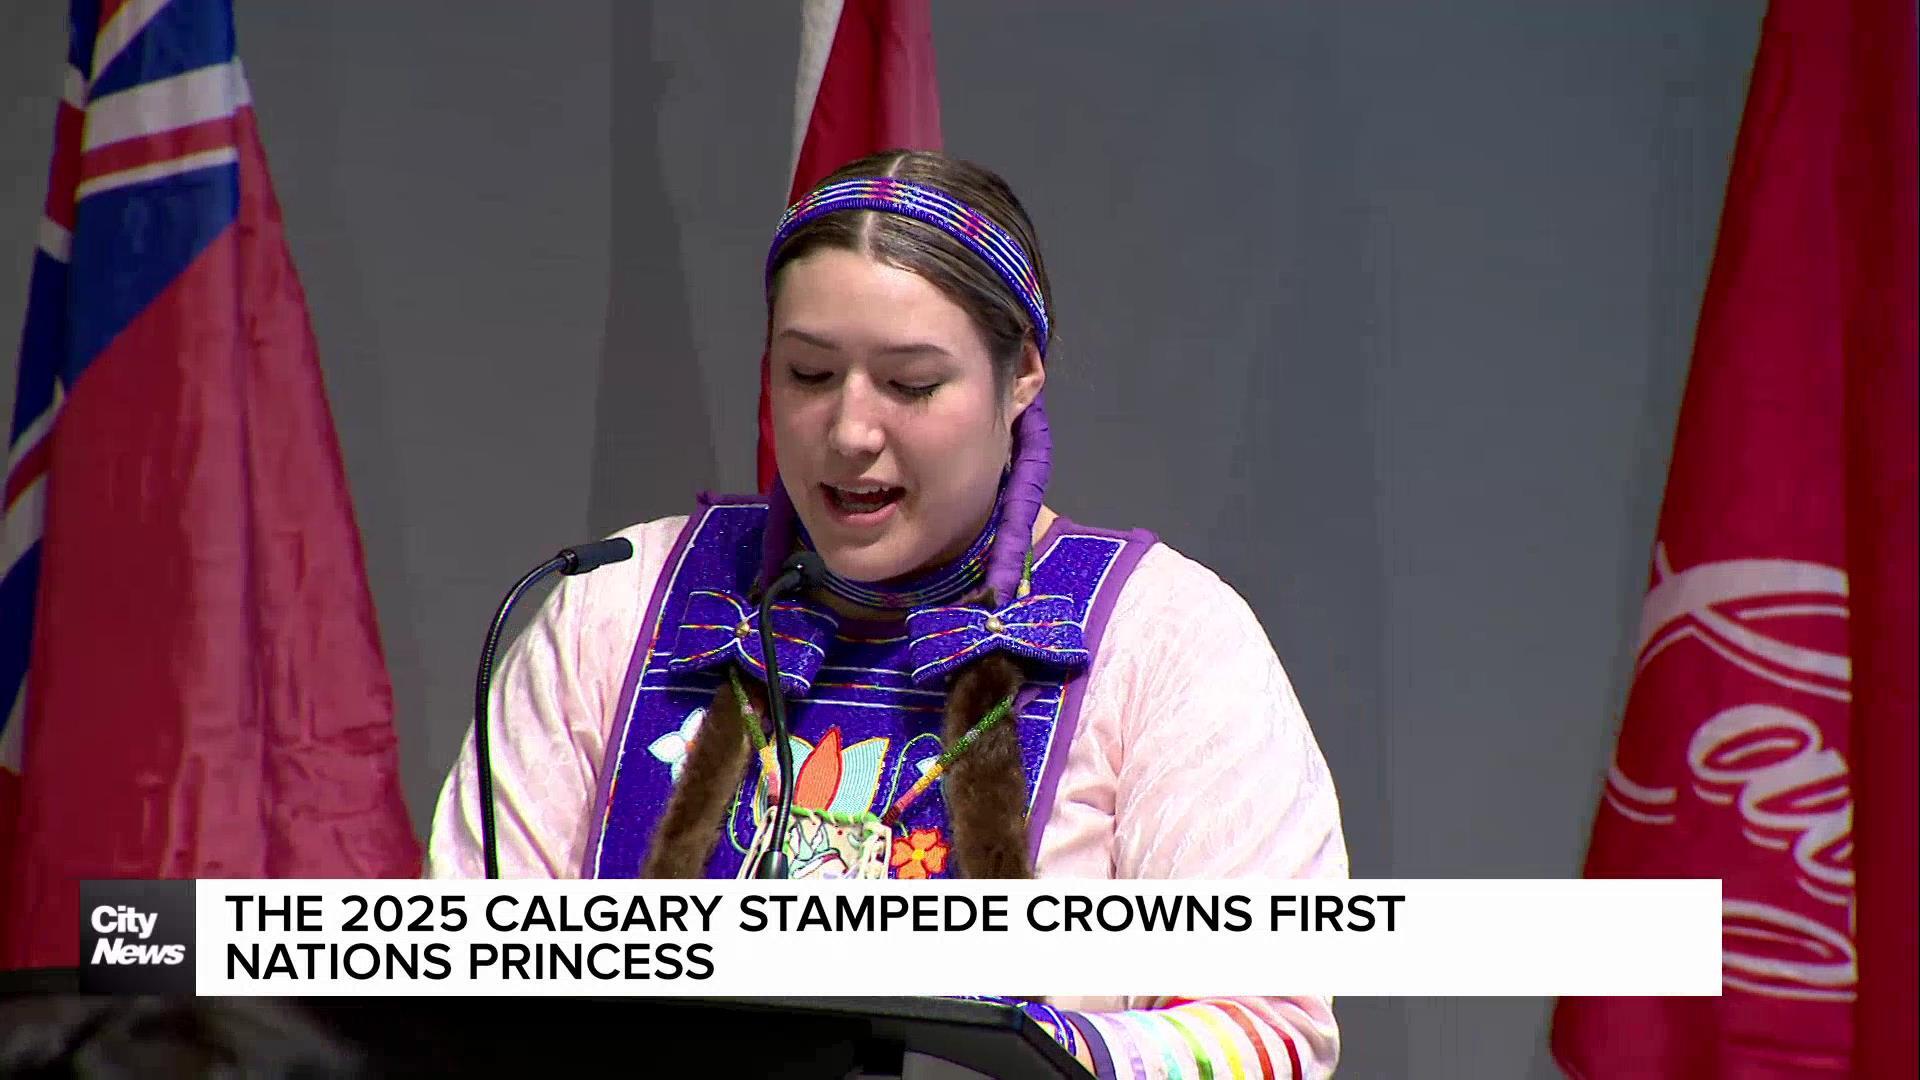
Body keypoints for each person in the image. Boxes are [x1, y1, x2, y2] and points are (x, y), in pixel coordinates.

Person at [426, 150, 1349, 1078]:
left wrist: (1035, 1050)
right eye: (808, 373)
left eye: (910, 384)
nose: (851, 431)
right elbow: (457, 981)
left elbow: (1268, 1031)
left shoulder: (1163, 638)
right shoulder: (616, 607)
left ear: (1021, 374)